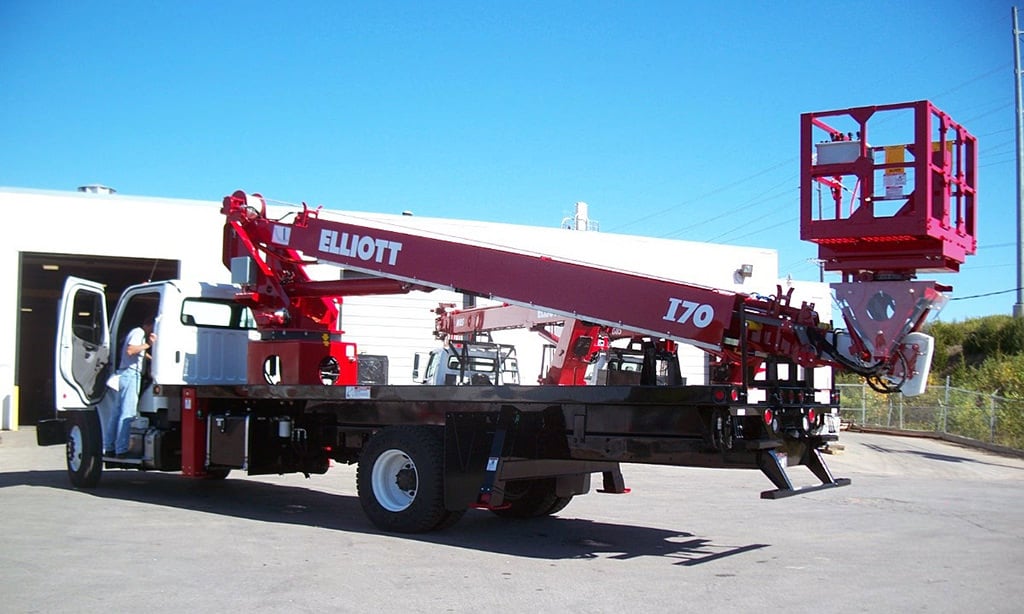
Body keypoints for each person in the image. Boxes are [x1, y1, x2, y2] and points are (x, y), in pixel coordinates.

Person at [103, 317, 156, 457]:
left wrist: (151, 357)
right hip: (131, 374)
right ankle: (121, 449)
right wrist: (148, 344)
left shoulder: (136, 333)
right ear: (148, 325)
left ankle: (109, 447)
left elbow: (139, 353)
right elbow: (131, 350)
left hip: (125, 374)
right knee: (127, 414)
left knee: (117, 412)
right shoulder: (138, 333)